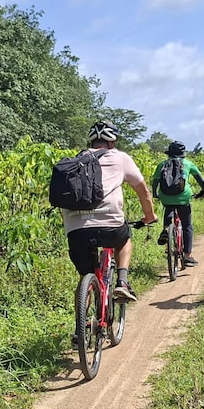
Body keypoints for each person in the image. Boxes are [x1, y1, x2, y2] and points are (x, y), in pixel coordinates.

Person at [60, 120, 157, 302]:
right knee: (125, 238)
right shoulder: (120, 157)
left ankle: (80, 327)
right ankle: (122, 282)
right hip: (110, 226)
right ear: (112, 143)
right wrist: (149, 216)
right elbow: (143, 192)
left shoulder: (75, 161)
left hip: (76, 229)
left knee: (84, 279)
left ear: (90, 142)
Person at [150, 141, 204, 266]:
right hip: (183, 197)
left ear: (169, 153)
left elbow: (155, 182)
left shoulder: (162, 165)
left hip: (165, 197)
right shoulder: (188, 164)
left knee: (169, 207)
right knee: (187, 225)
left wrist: (155, 194)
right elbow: (201, 180)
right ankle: (187, 256)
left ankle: (166, 229)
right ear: (183, 153)